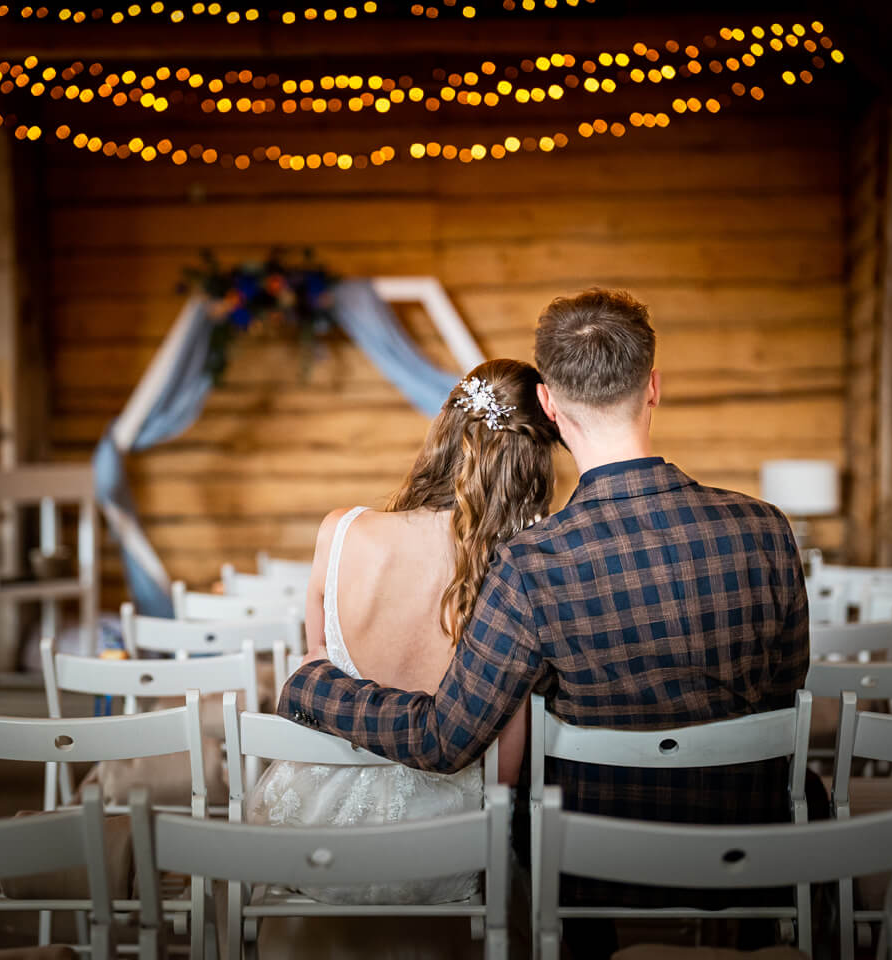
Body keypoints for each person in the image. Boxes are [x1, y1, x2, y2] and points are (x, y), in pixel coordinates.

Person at [278, 288, 811, 954]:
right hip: (759, 845)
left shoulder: (532, 563)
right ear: (653, 387)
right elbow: (785, 694)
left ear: (553, 409)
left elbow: (446, 740)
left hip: (595, 866)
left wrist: (311, 686)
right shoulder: (767, 529)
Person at [245, 357, 559, 909]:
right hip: (441, 847)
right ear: (531, 462)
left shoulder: (340, 533)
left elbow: (317, 667)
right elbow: (505, 775)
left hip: (309, 831)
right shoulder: (512, 574)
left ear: (446, 429)